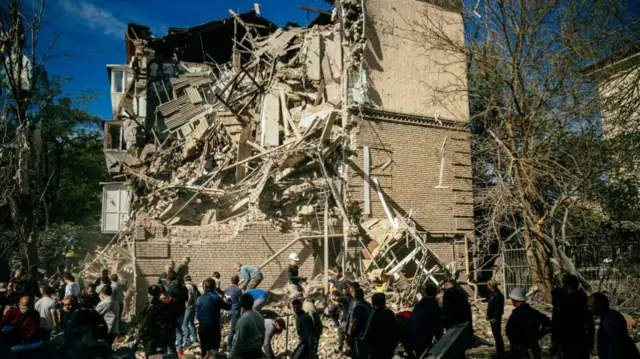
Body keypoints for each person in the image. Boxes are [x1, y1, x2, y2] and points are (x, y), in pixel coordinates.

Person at [588, 292, 640, 359]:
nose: (588, 309)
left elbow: (614, 349)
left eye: (590, 306)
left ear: (598, 305)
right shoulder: (613, 315)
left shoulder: (609, 322)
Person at [505, 288, 551, 359]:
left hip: (520, 351)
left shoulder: (515, 315)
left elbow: (509, 331)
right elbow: (549, 325)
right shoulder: (535, 313)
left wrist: (518, 345)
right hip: (534, 347)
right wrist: (539, 334)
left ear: (514, 300)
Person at [557, 275, 594, 359]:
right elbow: (590, 323)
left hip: (569, 340)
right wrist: (591, 340)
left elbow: (561, 324)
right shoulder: (584, 300)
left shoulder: (564, 302)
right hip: (582, 338)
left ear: (567, 285)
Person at [195, 277, 232, 356]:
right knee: (214, 351)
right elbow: (228, 307)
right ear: (214, 286)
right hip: (213, 328)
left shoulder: (199, 299)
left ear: (203, 287)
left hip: (202, 327)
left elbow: (197, 314)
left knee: (204, 350)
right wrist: (229, 299)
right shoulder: (215, 297)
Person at [409, 284, 443, 358]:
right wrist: (441, 339)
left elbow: (411, 319)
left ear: (425, 293)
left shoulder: (418, 305)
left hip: (413, 334)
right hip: (425, 336)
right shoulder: (434, 307)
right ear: (436, 293)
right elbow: (437, 324)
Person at [136, 285, 171, 357]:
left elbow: (145, 322)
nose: (150, 296)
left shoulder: (157, 307)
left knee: (151, 355)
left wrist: (139, 335)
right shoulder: (152, 306)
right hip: (152, 336)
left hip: (153, 337)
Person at [229, 293, 266, 359]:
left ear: (241, 304)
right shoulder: (259, 315)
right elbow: (263, 334)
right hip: (257, 352)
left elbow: (238, 342)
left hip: (247, 354)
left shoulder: (243, 320)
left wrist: (231, 356)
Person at [364, 293, 398, 359]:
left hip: (377, 349)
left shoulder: (374, 315)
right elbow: (395, 329)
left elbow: (368, 333)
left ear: (373, 303)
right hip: (389, 348)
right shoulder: (390, 312)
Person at [348, 287, 373, 359]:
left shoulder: (358, 307)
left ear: (355, 296)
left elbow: (354, 323)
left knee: (360, 355)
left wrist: (350, 336)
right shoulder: (368, 305)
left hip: (360, 335)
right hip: (369, 334)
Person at [487, 280, 505, 359]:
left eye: (488, 285)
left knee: (497, 334)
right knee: (496, 334)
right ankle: (499, 352)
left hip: (495, 318)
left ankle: (501, 353)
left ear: (491, 285)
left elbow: (498, 307)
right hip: (493, 317)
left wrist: (494, 317)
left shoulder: (497, 294)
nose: (487, 286)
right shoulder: (493, 294)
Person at [225, 275, 244, 350]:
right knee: (233, 329)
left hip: (229, 310)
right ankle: (229, 346)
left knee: (234, 328)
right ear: (238, 281)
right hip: (235, 311)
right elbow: (241, 300)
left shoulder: (226, 289)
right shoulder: (238, 290)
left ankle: (234, 344)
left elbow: (226, 299)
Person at [182, 275, 199, 347]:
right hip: (193, 307)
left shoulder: (188, 286)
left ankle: (187, 341)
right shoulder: (194, 286)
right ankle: (195, 340)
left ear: (184, 280)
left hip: (189, 307)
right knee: (191, 324)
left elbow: (189, 297)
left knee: (184, 324)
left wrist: (186, 305)